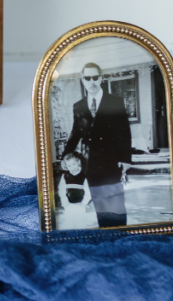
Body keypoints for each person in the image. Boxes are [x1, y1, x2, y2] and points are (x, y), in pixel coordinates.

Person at [62, 62, 132, 228]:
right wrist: (66, 154)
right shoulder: (78, 106)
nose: (91, 81)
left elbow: (124, 132)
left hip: (111, 161)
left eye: (95, 77)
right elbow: (76, 132)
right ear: (83, 80)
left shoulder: (115, 102)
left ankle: (120, 234)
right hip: (90, 163)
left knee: (115, 202)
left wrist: (126, 159)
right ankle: (105, 233)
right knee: (99, 202)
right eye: (88, 78)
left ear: (100, 78)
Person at [56, 152, 97, 229]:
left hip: (80, 205)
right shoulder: (65, 176)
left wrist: (84, 203)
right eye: (69, 166)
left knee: (81, 224)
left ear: (78, 162)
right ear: (66, 166)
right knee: (69, 224)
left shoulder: (84, 176)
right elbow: (61, 190)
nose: (72, 167)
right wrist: (65, 203)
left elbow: (88, 192)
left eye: (74, 164)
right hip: (68, 205)